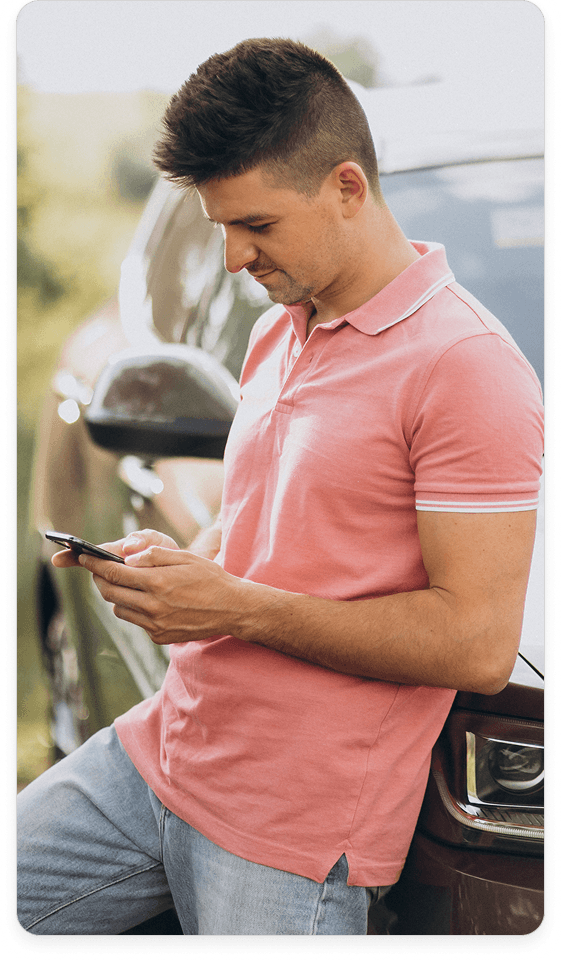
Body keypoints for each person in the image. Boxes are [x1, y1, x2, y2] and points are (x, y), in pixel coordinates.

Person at [17, 38, 544, 937]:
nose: (232, 258)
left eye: (255, 226)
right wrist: (186, 566)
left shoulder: (466, 370)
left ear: (347, 187)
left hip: (292, 831)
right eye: (221, 227)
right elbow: (264, 527)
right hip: (163, 750)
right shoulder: (284, 327)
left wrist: (232, 605)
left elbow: (474, 644)